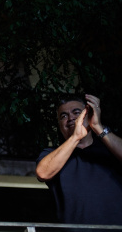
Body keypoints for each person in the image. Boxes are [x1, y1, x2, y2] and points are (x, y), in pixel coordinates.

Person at [36, 94, 122, 227]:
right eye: (63, 116)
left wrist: (98, 126)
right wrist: (75, 137)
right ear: (59, 125)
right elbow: (43, 173)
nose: (70, 118)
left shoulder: (110, 148)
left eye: (76, 112)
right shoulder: (51, 154)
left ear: (89, 115)